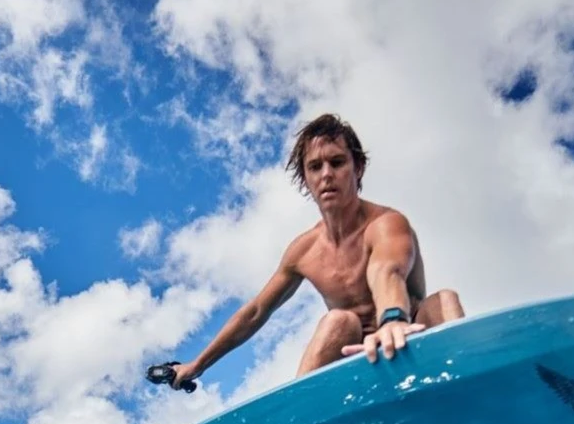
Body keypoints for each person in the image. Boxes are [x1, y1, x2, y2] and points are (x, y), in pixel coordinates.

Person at [170, 113, 465, 387]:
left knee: (443, 300)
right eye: (315, 167)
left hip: (409, 343)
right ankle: (297, 421)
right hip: (353, 361)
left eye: (337, 163)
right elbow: (256, 312)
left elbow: (386, 270)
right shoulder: (304, 250)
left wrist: (392, 319)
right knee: (339, 320)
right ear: (306, 178)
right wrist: (197, 365)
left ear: (357, 167)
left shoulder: (386, 223)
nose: (326, 174)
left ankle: (472, 389)